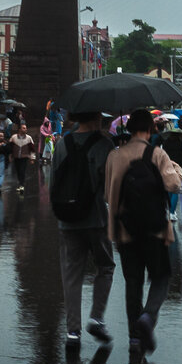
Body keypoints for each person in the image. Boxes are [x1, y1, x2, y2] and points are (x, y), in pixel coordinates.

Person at [104, 109, 182, 359]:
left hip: (125, 230)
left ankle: (134, 339)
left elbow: (108, 195)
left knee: (133, 284)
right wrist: (176, 169)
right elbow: (174, 184)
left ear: (128, 129)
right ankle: (149, 315)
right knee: (161, 277)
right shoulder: (157, 154)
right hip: (155, 230)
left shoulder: (114, 156)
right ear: (150, 129)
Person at [51, 111, 116, 351]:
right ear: (95, 116)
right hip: (96, 218)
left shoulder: (61, 143)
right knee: (106, 266)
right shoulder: (105, 144)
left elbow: (53, 181)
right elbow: (110, 187)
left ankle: (72, 332)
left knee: (71, 275)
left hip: (67, 220)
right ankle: (96, 318)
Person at [159, 128, 182, 222]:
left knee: (169, 188)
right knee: (176, 189)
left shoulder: (165, 143)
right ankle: (172, 213)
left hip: (167, 166)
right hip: (179, 167)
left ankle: (170, 210)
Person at [10, 123, 37, 193]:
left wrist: (32, 158)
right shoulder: (14, 137)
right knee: (18, 171)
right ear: (19, 129)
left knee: (22, 170)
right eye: (23, 128)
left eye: (25, 128)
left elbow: (32, 149)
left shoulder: (29, 138)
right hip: (16, 157)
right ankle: (20, 183)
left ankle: (22, 184)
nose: (25, 129)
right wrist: (10, 156)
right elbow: (10, 148)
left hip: (24, 157)